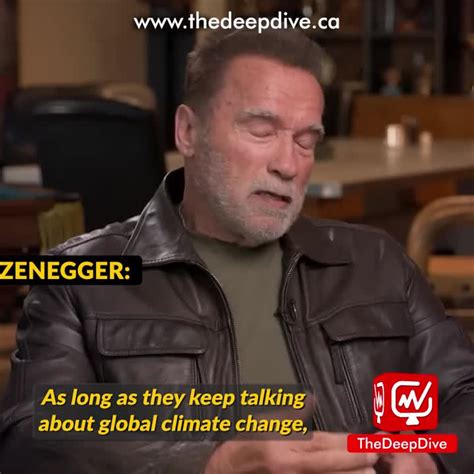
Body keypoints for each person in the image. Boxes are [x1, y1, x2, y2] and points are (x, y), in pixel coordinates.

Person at [1, 28, 473, 474]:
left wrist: (427, 457)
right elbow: (30, 438)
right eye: (262, 131)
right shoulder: (78, 277)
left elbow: (465, 395)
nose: (288, 165)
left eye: (306, 141)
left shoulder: (376, 263)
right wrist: (212, 463)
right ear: (188, 131)